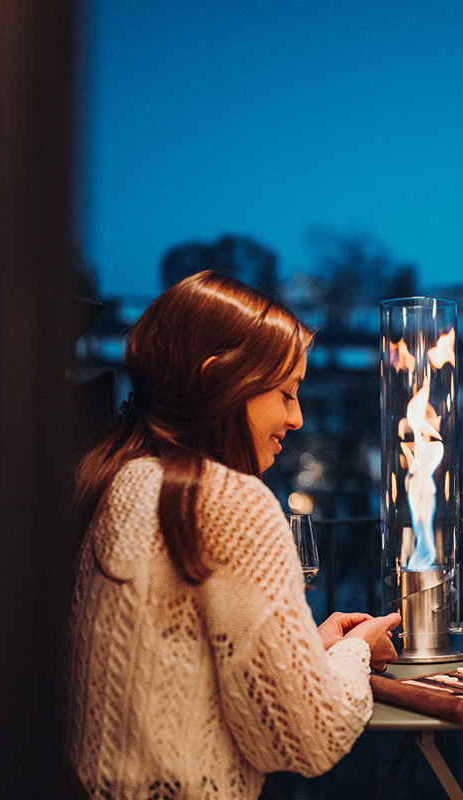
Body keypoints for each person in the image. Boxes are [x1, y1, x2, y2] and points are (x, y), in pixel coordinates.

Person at [67, 271, 400, 799]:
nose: (297, 418)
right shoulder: (228, 502)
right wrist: (355, 650)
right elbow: (309, 737)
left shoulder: (119, 478)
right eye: (287, 393)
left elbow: (182, 675)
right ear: (218, 379)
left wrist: (308, 652)